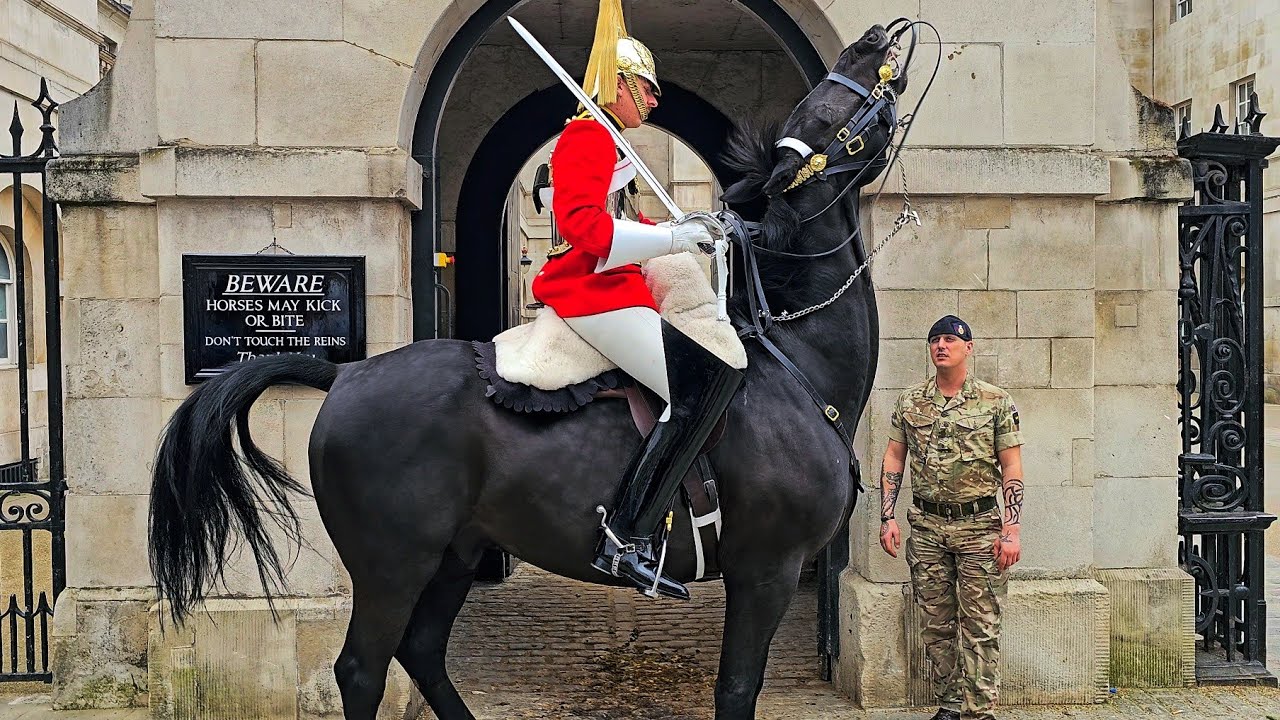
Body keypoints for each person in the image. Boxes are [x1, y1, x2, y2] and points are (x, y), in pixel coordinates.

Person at [529, 0, 742, 601]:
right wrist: (678, 236)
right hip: (592, 293)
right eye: (646, 89)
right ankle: (627, 536)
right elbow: (588, 231)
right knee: (698, 386)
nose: (653, 102)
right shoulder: (587, 135)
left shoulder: (610, 142)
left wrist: (692, 228)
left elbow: (628, 221)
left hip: (618, 289)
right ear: (618, 85)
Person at [877, 315, 1025, 720]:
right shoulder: (910, 401)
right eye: (935, 340)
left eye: (950, 339)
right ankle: (949, 704)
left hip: (980, 529)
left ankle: (980, 711)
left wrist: (1011, 530)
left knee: (980, 626)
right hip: (926, 529)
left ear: (968, 348)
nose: (941, 346)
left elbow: (1011, 466)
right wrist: (887, 516)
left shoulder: (996, 401)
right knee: (936, 626)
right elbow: (894, 456)